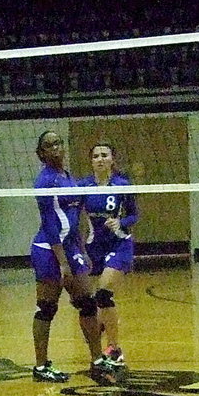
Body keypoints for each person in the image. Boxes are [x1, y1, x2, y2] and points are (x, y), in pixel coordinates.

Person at [30, 130, 103, 382]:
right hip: (49, 250)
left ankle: (97, 359)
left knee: (87, 302)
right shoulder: (45, 182)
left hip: (71, 248)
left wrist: (82, 251)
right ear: (41, 154)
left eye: (58, 143)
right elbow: (52, 225)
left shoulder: (68, 177)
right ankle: (41, 366)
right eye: (49, 146)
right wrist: (63, 263)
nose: (56, 148)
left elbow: (73, 221)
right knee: (47, 308)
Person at [79, 141, 139, 378]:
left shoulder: (122, 185)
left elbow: (134, 214)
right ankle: (102, 332)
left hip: (120, 243)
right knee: (95, 301)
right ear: (91, 161)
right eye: (96, 156)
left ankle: (115, 349)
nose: (100, 159)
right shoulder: (82, 186)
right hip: (95, 246)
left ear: (112, 160)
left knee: (104, 293)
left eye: (105, 155)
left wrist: (121, 222)